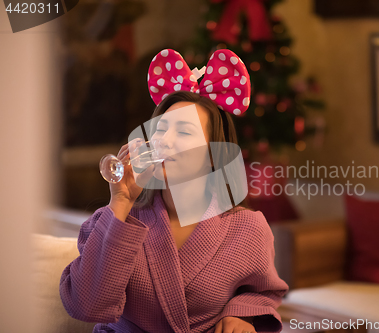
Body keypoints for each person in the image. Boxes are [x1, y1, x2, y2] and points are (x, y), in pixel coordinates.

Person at [59, 49, 289, 333]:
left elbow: (263, 293)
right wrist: (120, 201)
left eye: (182, 132)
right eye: (160, 129)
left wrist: (243, 315)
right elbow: (86, 306)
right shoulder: (113, 221)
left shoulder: (247, 229)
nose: (163, 141)